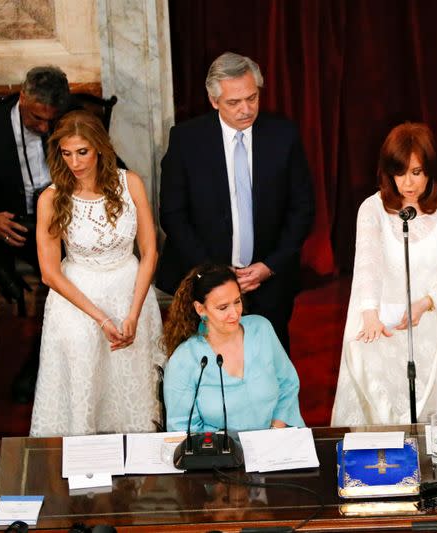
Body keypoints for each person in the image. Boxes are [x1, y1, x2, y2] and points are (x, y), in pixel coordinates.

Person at [331, 122, 437, 425]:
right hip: (388, 328)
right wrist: (369, 314)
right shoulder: (372, 209)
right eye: (400, 172)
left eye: (416, 172)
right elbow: (368, 265)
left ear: (430, 170)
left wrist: (427, 302)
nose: (408, 183)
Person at [157, 52, 315, 354]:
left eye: (252, 98)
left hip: (269, 281)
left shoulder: (283, 135)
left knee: (268, 363)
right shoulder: (187, 140)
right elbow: (173, 214)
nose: (246, 109)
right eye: (234, 102)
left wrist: (269, 266)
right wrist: (215, 272)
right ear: (214, 101)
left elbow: (302, 208)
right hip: (204, 282)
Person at [29, 110, 164, 436]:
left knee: (130, 390)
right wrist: (102, 319)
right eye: (66, 153)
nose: (74, 162)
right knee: (84, 389)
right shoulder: (51, 198)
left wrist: (133, 312)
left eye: (82, 152)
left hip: (129, 294)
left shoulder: (129, 183)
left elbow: (149, 252)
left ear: (100, 147)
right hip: (77, 302)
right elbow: (49, 273)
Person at [0, 66, 71, 403]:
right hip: (15, 225)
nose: (45, 127)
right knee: (61, 280)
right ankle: (40, 370)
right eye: (37, 118)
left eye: (52, 119)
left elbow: (112, 164)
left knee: (71, 277)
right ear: (23, 98)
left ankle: (47, 363)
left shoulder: (70, 118)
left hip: (65, 221)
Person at [161, 263, 304, 433]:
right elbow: (181, 427)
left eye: (237, 302)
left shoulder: (261, 329)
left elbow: (288, 384)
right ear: (200, 309)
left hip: (275, 441)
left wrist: (273, 432)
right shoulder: (184, 359)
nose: (235, 313)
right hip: (220, 455)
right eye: (223, 307)